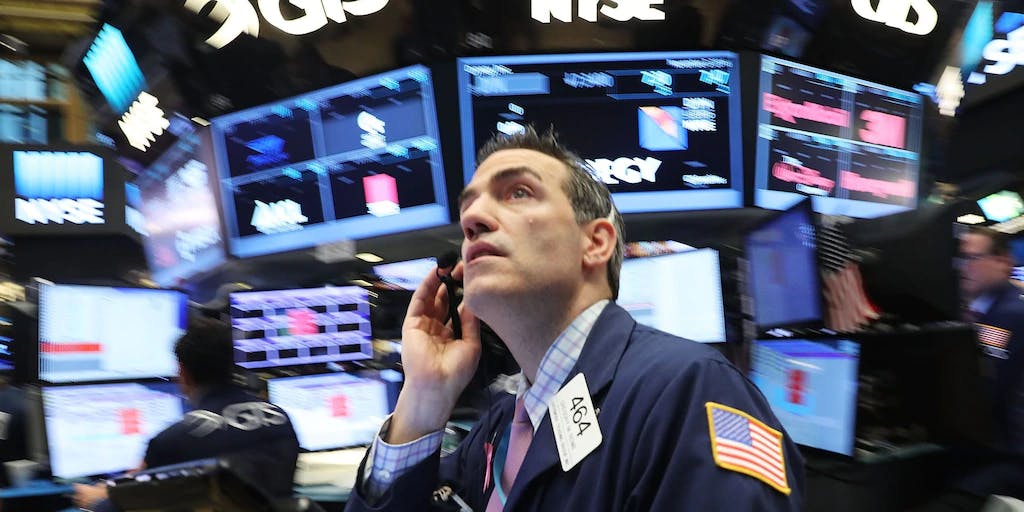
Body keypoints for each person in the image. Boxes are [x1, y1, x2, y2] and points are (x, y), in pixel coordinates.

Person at [345, 127, 804, 511]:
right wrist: (425, 394)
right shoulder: (500, 425)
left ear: (596, 243)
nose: (474, 219)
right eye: (469, 207)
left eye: (518, 192)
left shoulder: (691, 391)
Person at [72, 316, 300, 511]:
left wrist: (97, 499)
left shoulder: (174, 440)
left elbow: (127, 506)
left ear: (182, 372)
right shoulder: (279, 418)